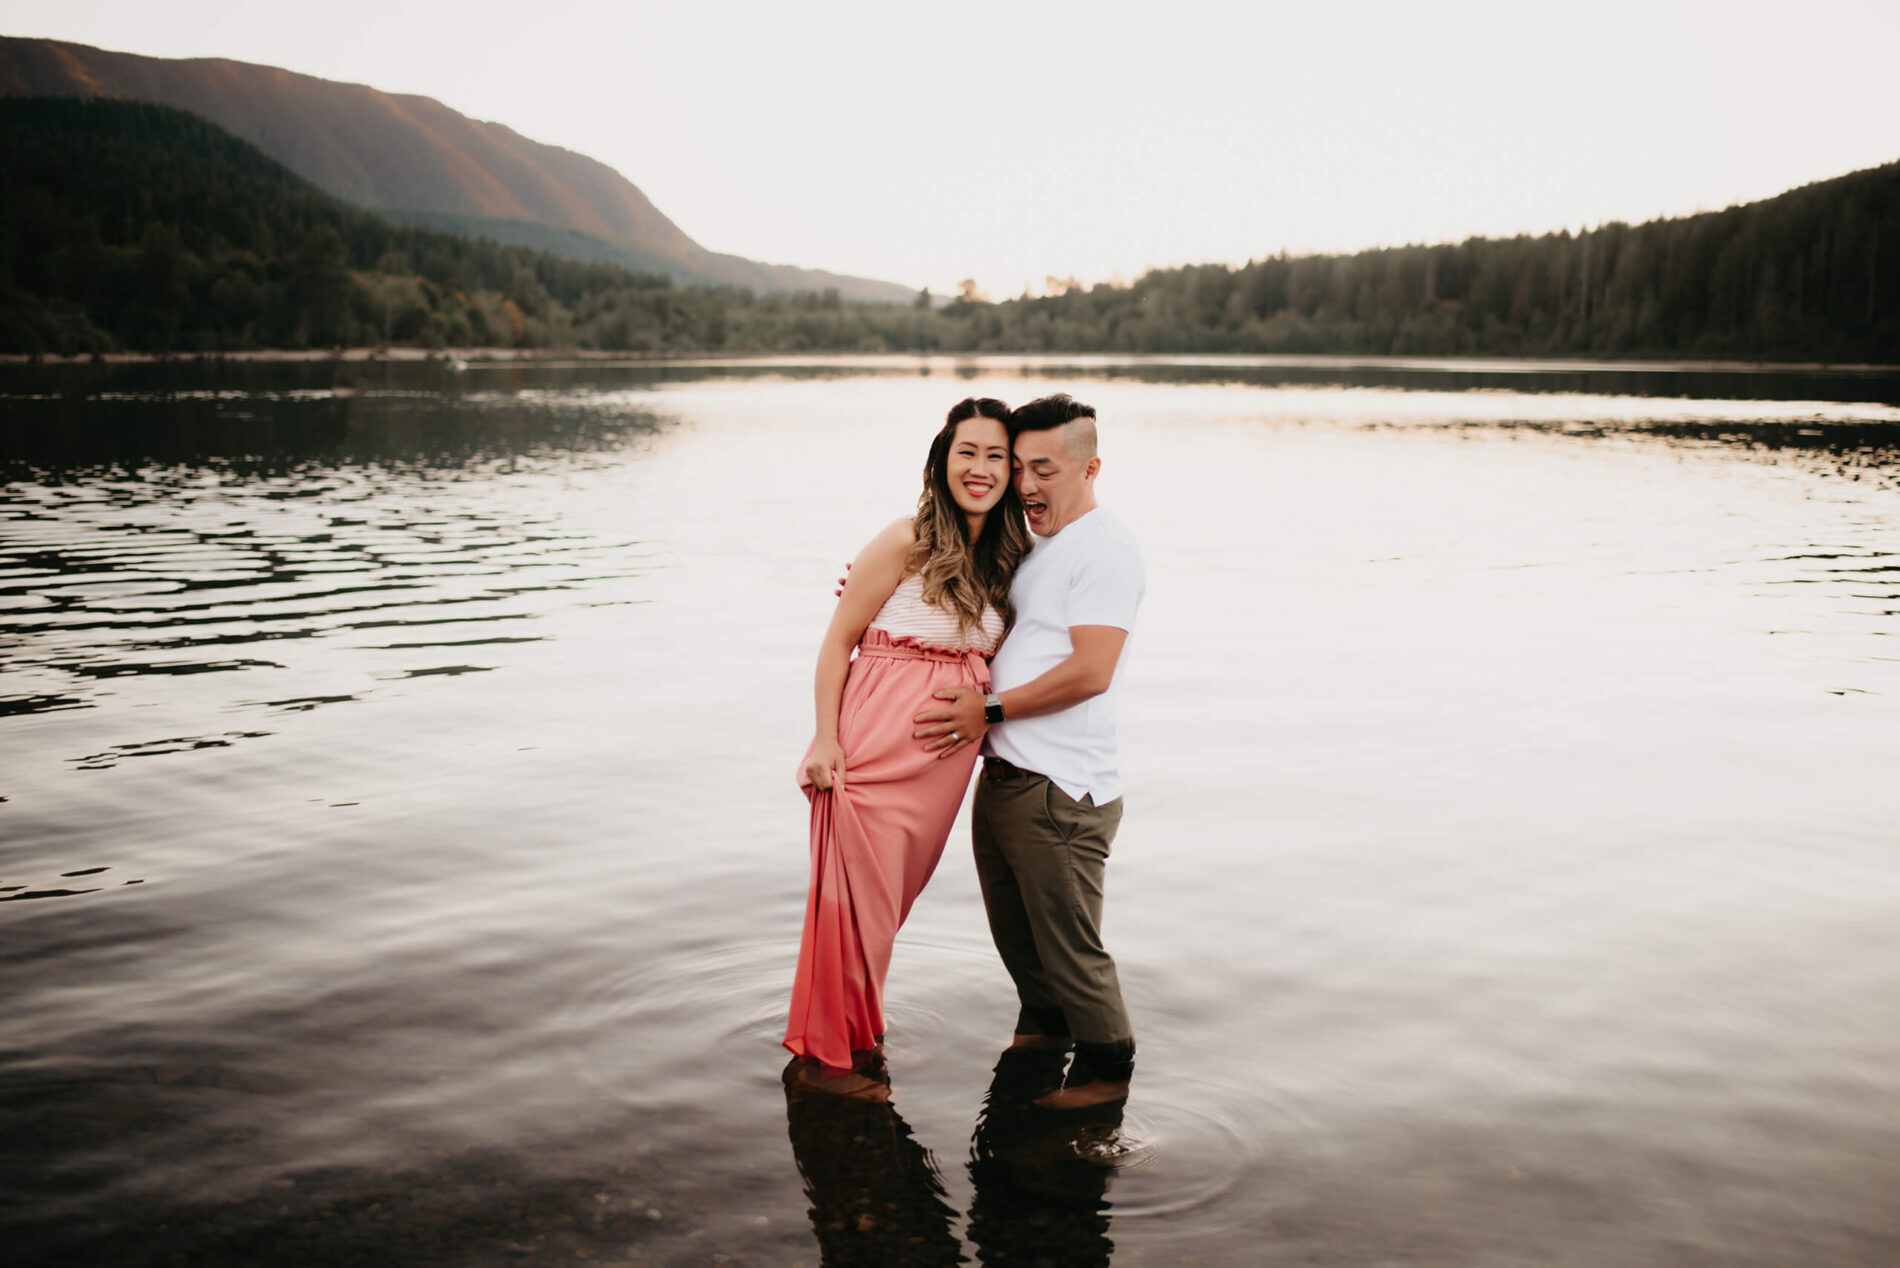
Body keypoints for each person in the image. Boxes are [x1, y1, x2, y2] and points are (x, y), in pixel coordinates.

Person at [784, 396, 1029, 1099]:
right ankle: (831, 1063)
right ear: (941, 460)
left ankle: (861, 1038)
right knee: (851, 904)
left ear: (1012, 473)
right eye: (967, 453)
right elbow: (838, 643)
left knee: (888, 908)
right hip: (872, 745)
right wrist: (826, 737)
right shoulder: (903, 539)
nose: (980, 469)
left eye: (995, 457)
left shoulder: (1010, 561)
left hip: (941, 766)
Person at [913, 393, 1144, 1110]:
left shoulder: (1104, 548)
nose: (1025, 485)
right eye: (1018, 468)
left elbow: (1091, 671)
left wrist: (988, 710)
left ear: (1090, 467)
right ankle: (1043, 1036)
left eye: (1043, 468)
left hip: (1059, 790)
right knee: (1023, 949)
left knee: (1073, 953)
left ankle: (1107, 1073)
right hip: (1007, 780)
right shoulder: (1040, 553)